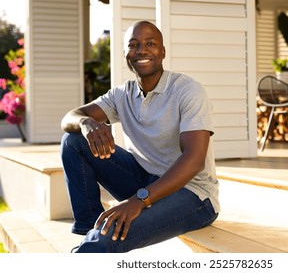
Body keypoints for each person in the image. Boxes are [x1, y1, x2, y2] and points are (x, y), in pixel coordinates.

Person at [60, 20, 219, 253]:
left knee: (107, 240)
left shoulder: (187, 90)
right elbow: (69, 118)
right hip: (144, 181)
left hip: (193, 195)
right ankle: (89, 230)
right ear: (125, 53)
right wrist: (86, 122)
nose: (141, 50)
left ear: (162, 52)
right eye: (133, 45)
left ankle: (94, 246)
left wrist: (139, 200)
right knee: (73, 140)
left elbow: (194, 160)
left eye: (150, 44)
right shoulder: (122, 94)